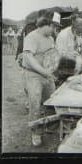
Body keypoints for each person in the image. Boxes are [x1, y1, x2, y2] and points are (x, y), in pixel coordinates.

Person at [21, 16, 56, 146]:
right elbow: (29, 57)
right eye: (53, 27)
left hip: (47, 74)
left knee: (51, 101)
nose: (54, 30)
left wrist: (53, 70)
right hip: (33, 75)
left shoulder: (51, 39)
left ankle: (50, 127)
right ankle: (35, 133)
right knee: (35, 103)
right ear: (45, 25)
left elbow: (52, 55)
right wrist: (43, 71)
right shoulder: (31, 37)